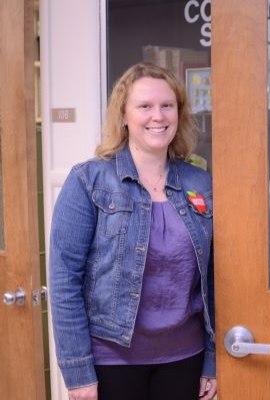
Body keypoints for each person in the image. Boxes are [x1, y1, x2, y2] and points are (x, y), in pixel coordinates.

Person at [49, 62, 217, 400]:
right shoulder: (88, 181)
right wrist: (79, 374)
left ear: (178, 113)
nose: (158, 116)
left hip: (185, 358)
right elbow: (65, 281)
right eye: (145, 106)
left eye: (167, 105)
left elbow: (215, 279)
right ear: (124, 116)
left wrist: (212, 360)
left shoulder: (200, 183)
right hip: (112, 362)